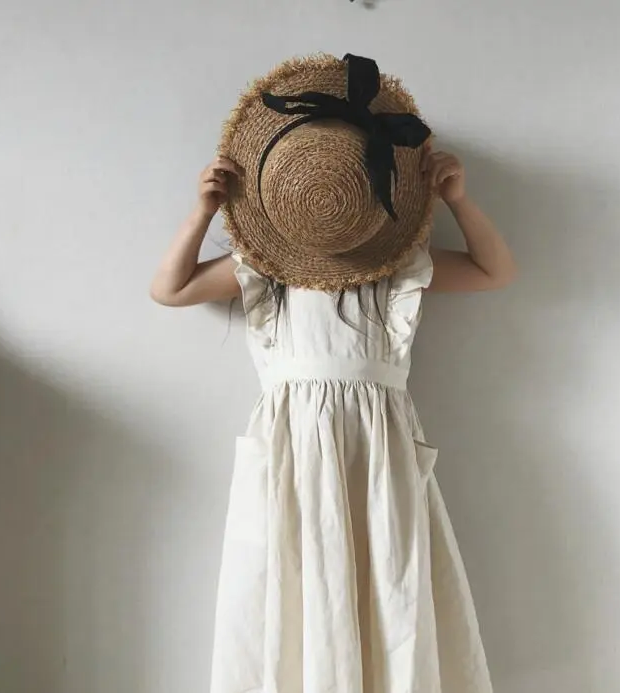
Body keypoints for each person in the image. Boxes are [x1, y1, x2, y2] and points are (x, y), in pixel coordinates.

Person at [151, 54, 515, 693]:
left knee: (387, 585)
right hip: (293, 453)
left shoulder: (395, 272)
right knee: (295, 585)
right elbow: (170, 289)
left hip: (377, 454)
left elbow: (495, 271)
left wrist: (458, 200)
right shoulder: (264, 272)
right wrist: (201, 212)